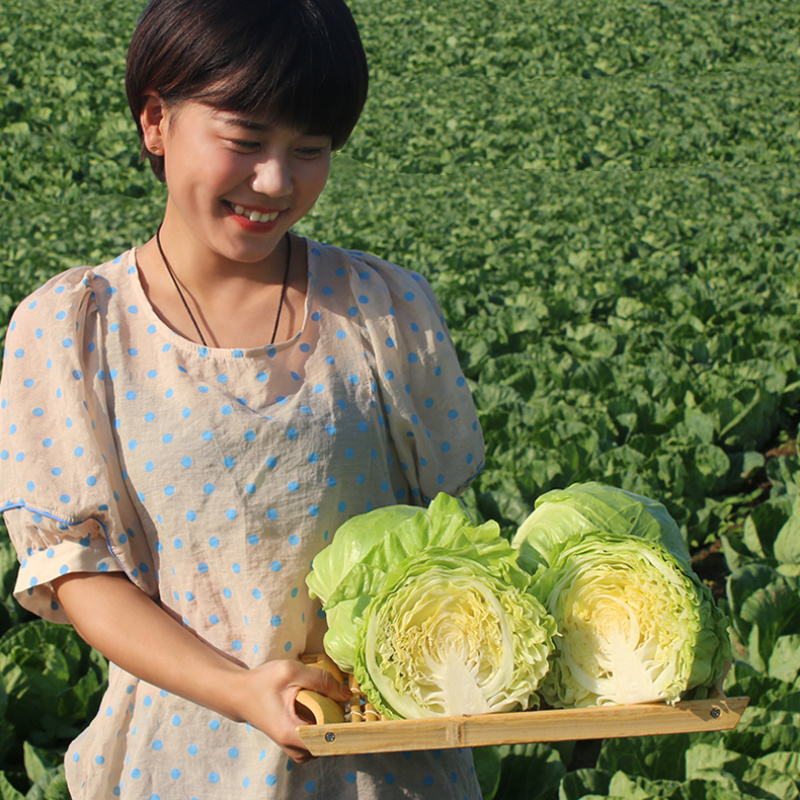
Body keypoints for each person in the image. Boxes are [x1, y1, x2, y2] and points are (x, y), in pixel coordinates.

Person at [0, 0, 486, 798]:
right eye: (245, 139)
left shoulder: (383, 310)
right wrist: (241, 690)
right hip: (187, 757)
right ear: (156, 121)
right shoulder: (73, 330)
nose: (275, 181)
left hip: (383, 760)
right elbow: (78, 573)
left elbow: (443, 533)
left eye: (310, 149)